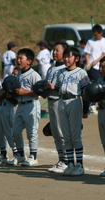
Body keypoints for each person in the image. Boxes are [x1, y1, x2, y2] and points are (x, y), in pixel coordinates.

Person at [45, 47, 90, 176]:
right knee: (66, 136)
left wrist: (85, 110)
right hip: (62, 102)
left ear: (76, 58)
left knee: (75, 135)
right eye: (65, 56)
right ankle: (70, 164)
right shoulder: (61, 73)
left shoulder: (81, 73)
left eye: (69, 56)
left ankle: (79, 165)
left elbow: (86, 92)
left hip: (74, 102)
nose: (66, 59)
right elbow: (61, 88)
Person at [10, 48, 41, 166]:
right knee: (15, 131)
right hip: (20, 106)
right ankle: (21, 155)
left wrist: (25, 93)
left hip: (31, 105)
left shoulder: (34, 75)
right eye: (17, 58)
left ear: (29, 61)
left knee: (31, 132)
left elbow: (39, 92)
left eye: (21, 58)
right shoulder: (18, 74)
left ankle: (33, 156)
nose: (18, 60)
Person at [44, 42, 68, 173]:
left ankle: (66, 161)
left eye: (57, 50)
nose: (54, 52)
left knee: (61, 132)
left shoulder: (65, 69)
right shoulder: (50, 68)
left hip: (60, 102)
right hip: (51, 102)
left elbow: (67, 89)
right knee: (55, 133)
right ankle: (61, 160)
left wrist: (54, 87)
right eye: (53, 50)